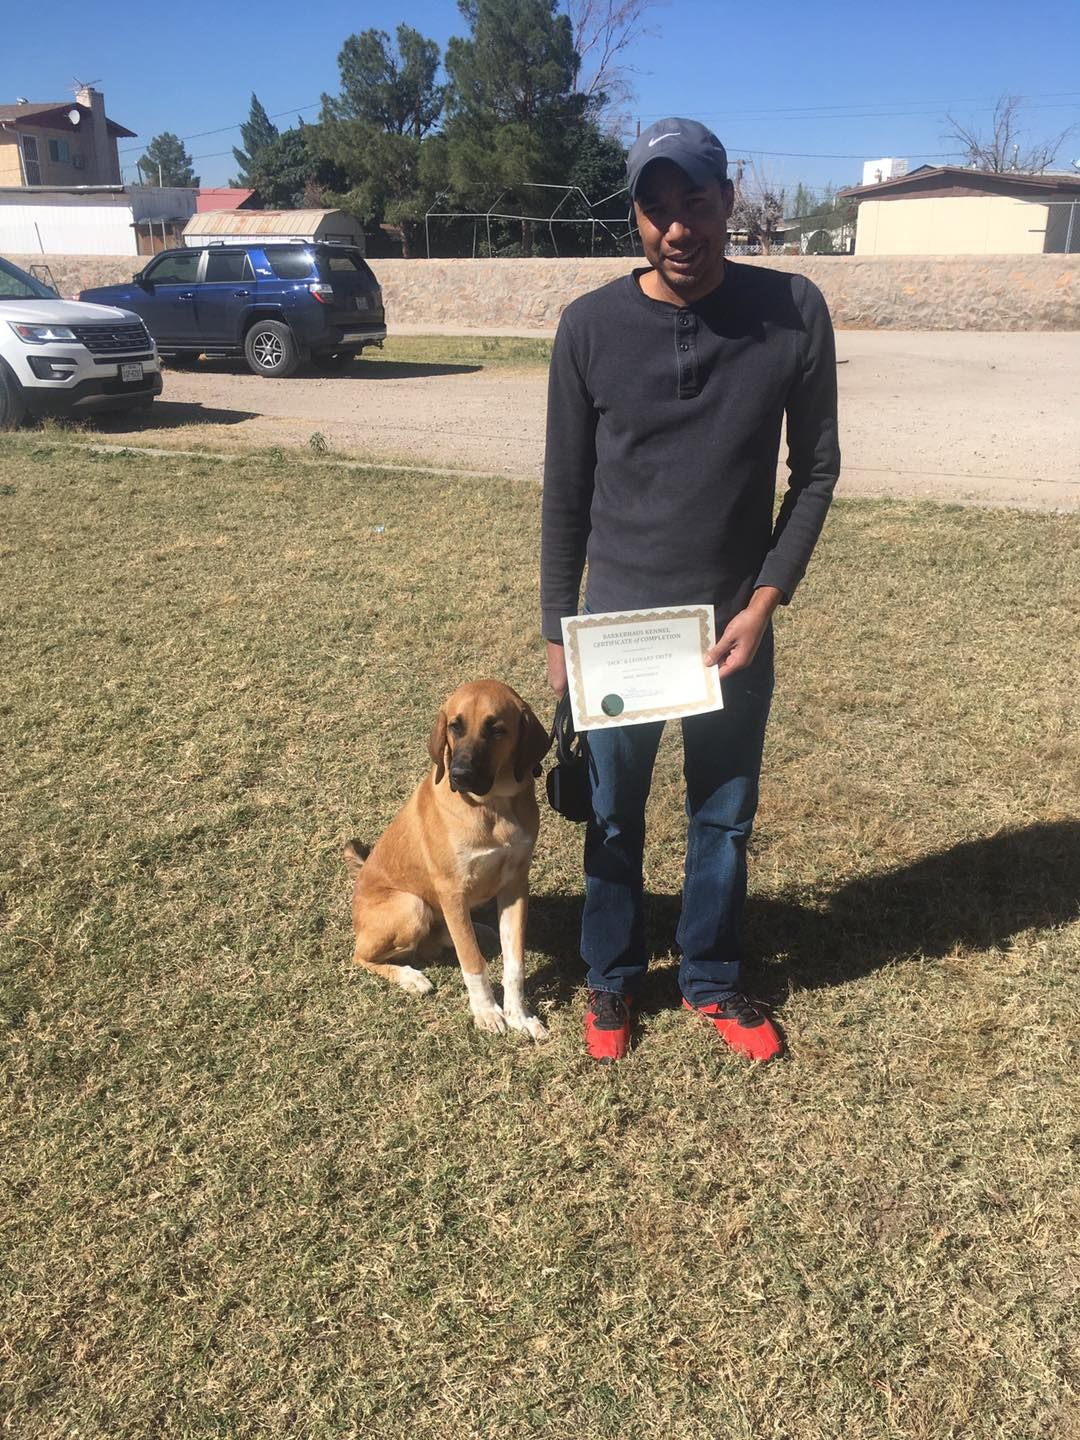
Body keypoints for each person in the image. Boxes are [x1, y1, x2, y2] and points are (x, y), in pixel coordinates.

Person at [540, 117, 840, 1064]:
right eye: (655, 207)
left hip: (731, 626)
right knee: (615, 814)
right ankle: (613, 979)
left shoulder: (793, 310)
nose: (677, 226)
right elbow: (567, 490)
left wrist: (764, 603)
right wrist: (558, 631)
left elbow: (818, 471)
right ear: (635, 216)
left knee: (723, 811)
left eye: (695, 202)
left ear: (728, 201)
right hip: (621, 625)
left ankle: (710, 977)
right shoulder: (589, 327)